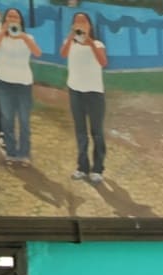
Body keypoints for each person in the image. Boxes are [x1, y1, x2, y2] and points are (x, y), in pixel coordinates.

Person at [61, 10, 107, 182]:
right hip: (75, 92)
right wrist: (72, 35)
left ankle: (98, 168)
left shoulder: (98, 44)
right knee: (80, 132)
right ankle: (82, 166)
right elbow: (63, 53)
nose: (80, 24)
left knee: (97, 132)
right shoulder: (69, 42)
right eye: (77, 22)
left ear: (90, 25)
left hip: (94, 93)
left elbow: (103, 62)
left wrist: (89, 42)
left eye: (83, 22)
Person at [0, 6, 36, 166]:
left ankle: (24, 153)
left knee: (24, 120)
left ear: (21, 20)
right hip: (3, 82)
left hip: (23, 83)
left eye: (15, 17)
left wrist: (23, 37)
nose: (12, 19)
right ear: (5, 19)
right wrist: (3, 31)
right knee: (7, 119)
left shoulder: (28, 37)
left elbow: (37, 53)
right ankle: (11, 153)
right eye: (9, 17)